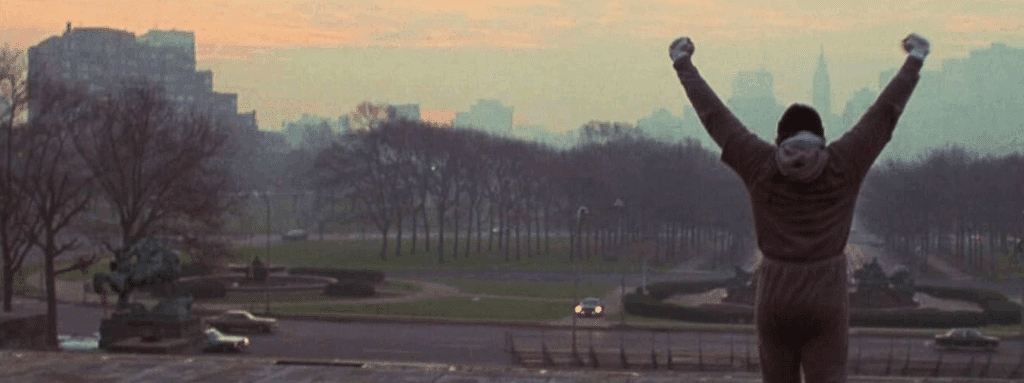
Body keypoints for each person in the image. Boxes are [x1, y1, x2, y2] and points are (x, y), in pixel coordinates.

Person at [668, 33, 930, 383]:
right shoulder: (843, 163)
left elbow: (715, 117)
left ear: (780, 139)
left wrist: (682, 63)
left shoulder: (760, 163)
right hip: (826, 296)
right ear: (821, 137)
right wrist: (914, 59)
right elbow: (883, 114)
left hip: (775, 295)